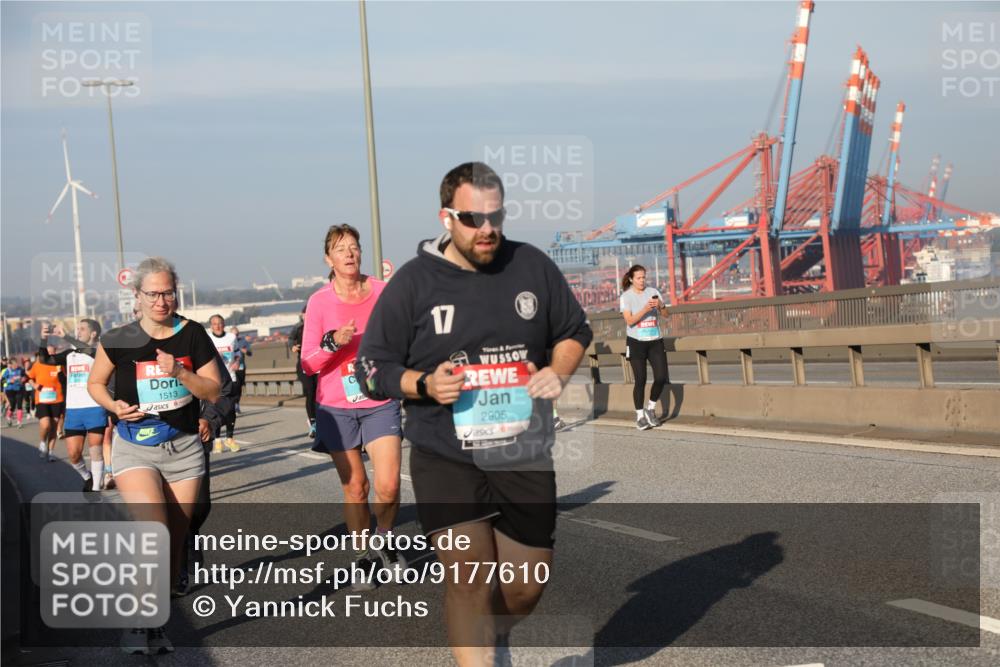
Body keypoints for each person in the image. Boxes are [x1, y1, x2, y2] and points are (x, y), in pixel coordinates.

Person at [355, 162, 592, 665]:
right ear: (446, 218)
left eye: (495, 216)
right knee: (468, 578)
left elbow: (574, 330)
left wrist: (558, 371)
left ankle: (493, 635)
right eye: (472, 218)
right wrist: (423, 384)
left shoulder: (530, 266)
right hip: (446, 454)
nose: (486, 229)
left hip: (523, 452)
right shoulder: (414, 283)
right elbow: (370, 368)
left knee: (526, 586)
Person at [88, 256, 221, 655]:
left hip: (183, 449)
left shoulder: (192, 334)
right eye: (153, 294)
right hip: (135, 447)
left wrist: (180, 373)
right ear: (137, 295)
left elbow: (213, 390)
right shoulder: (119, 338)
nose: (161, 301)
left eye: (168, 293)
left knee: (174, 545)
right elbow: (96, 383)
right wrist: (113, 406)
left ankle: (156, 620)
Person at [301, 224, 406, 589]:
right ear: (328, 259)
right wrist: (333, 342)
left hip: (379, 399)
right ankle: (362, 558)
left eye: (354, 246)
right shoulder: (319, 302)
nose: (349, 253)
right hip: (336, 406)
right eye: (340, 248)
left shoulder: (382, 292)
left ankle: (385, 540)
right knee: (356, 487)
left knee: (388, 484)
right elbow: (307, 363)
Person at [48, 320, 109, 490]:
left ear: (93, 333)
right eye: (77, 329)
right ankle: (87, 477)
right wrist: (43, 339)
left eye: (82, 329)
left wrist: (66, 336)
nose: (78, 331)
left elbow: (86, 349)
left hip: (95, 407)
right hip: (74, 410)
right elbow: (45, 359)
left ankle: (96, 489)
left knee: (95, 450)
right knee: (73, 455)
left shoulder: (99, 351)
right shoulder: (70, 354)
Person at [619, 264, 670, 430]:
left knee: (661, 377)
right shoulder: (626, 297)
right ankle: (640, 416)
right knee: (640, 380)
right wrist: (645, 309)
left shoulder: (653, 292)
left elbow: (666, 315)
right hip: (636, 342)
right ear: (631, 279)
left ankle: (651, 409)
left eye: (644, 277)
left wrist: (661, 305)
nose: (642, 281)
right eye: (639, 278)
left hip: (655, 341)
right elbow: (629, 321)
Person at [27, 331, 65, 462]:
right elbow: (29, 377)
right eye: (48, 353)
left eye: (52, 353)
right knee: (45, 424)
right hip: (42, 398)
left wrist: (61, 373)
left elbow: (66, 379)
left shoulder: (59, 364)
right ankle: (43, 442)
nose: (50, 355)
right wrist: (34, 385)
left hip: (57, 399)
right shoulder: (38, 364)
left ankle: (51, 452)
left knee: (54, 426)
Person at [206, 315, 240, 454]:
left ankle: (229, 438)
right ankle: (218, 441)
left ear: (224, 324)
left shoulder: (231, 337)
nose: (218, 326)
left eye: (220, 323)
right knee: (217, 410)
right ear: (211, 326)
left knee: (231, 409)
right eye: (215, 324)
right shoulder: (208, 339)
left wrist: (237, 361)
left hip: (231, 377)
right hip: (215, 380)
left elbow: (237, 352)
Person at [289, 308, 318, 438]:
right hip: (304, 364)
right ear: (302, 315)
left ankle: (321, 419)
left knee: (320, 393)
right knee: (310, 392)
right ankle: (313, 423)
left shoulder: (318, 325)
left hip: (318, 363)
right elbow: (290, 339)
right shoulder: (298, 327)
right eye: (305, 314)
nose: (307, 316)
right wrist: (293, 346)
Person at [230, 326, 251, 414]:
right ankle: (232, 404)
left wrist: (245, 351)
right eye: (234, 334)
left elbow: (250, 353)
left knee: (239, 386)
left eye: (237, 334)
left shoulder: (243, 341)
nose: (236, 336)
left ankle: (237, 404)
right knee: (233, 386)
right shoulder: (228, 341)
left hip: (241, 367)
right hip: (230, 368)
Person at [3, 357, 27, 428]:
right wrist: (9, 381)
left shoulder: (21, 370)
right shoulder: (8, 371)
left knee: (19, 405)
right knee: (12, 405)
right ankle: (8, 416)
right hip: (10, 390)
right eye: (14, 364)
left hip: (19, 389)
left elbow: (25, 376)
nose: (15, 365)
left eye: (16, 363)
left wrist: (23, 379)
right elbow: (2, 380)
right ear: (10, 364)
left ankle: (19, 422)